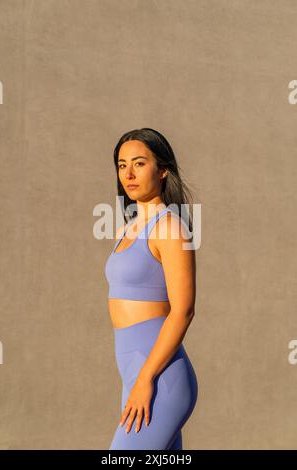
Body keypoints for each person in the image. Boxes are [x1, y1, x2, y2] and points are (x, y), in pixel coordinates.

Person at [105, 128, 198, 450]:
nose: (128, 174)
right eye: (121, 165)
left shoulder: (170, 228)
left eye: (139, 164)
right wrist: (137, 380)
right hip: (134, 373)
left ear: (162, 170)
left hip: (160, 378)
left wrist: (145, 380)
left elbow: (183, 310)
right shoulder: (128, 227)